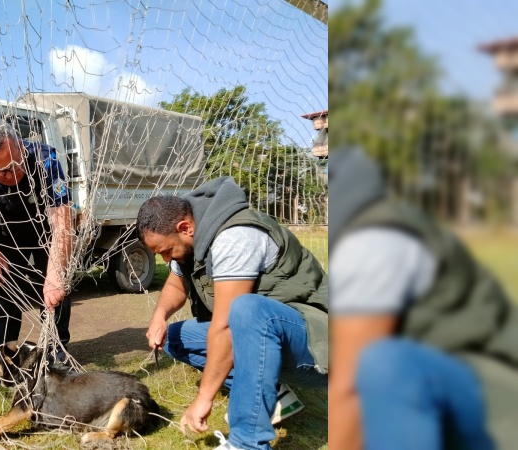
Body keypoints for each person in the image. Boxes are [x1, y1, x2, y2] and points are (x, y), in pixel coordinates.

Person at [328, 149, 517, 450]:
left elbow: (350, 388)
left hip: (497, 398)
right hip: (456, 378)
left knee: (383, 363)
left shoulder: (371, 240)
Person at [136, 177, 328, 450]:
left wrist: (204, 396)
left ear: (185, 228)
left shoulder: (234, 237)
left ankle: (247, 443)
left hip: (319, 341)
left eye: (166, 251)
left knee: (248, 310)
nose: (166, 260)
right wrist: (160, 317)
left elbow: (225, 326)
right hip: (265, 334)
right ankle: (274, 394)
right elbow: (175, 283)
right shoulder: (192, 239)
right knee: (174, 337)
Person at [0, 121, 73, 361]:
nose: (9, 176)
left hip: (46, 230)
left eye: (15, 166)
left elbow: (62, 223)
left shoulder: (46, 161)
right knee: (3, 289)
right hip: (4, 230)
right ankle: (4, 358)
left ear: (22, 148)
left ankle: (56, 349)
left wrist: (54, 274)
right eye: (0, 171)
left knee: (54, 287)